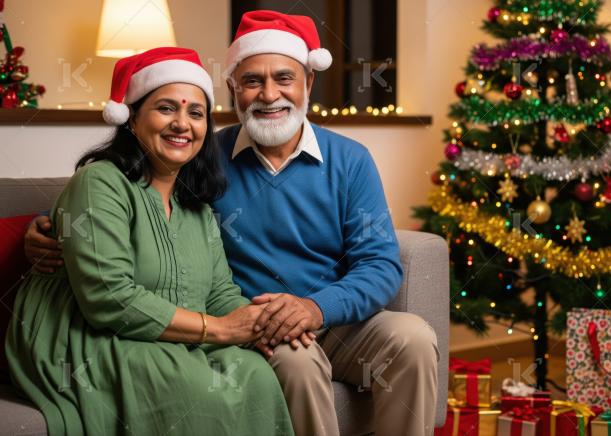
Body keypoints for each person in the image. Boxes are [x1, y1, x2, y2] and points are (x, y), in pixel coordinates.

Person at [26, 11, 439, 436]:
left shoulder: (351, 161)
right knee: (297, 361)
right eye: (252, 81)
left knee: (412, 337)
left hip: (335, 318)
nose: (269, 94)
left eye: (284, 78)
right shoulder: (203, 156)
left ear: (308, 84)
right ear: (233, 90)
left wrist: (315, 308)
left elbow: (380, 264)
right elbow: (127, 189)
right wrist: (48, 228)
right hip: (258, 323)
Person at [7, 47, 293, 435]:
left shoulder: (197, 206)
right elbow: (108, 297)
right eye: (166, 108)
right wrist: (222, 330)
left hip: (168, 333)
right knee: (198, 392)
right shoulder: (100, 182)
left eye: (195, 113)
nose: (182, 124)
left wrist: (265, 322)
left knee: (257, 374)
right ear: (132, 119)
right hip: (88, 335)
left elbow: (220, 292)